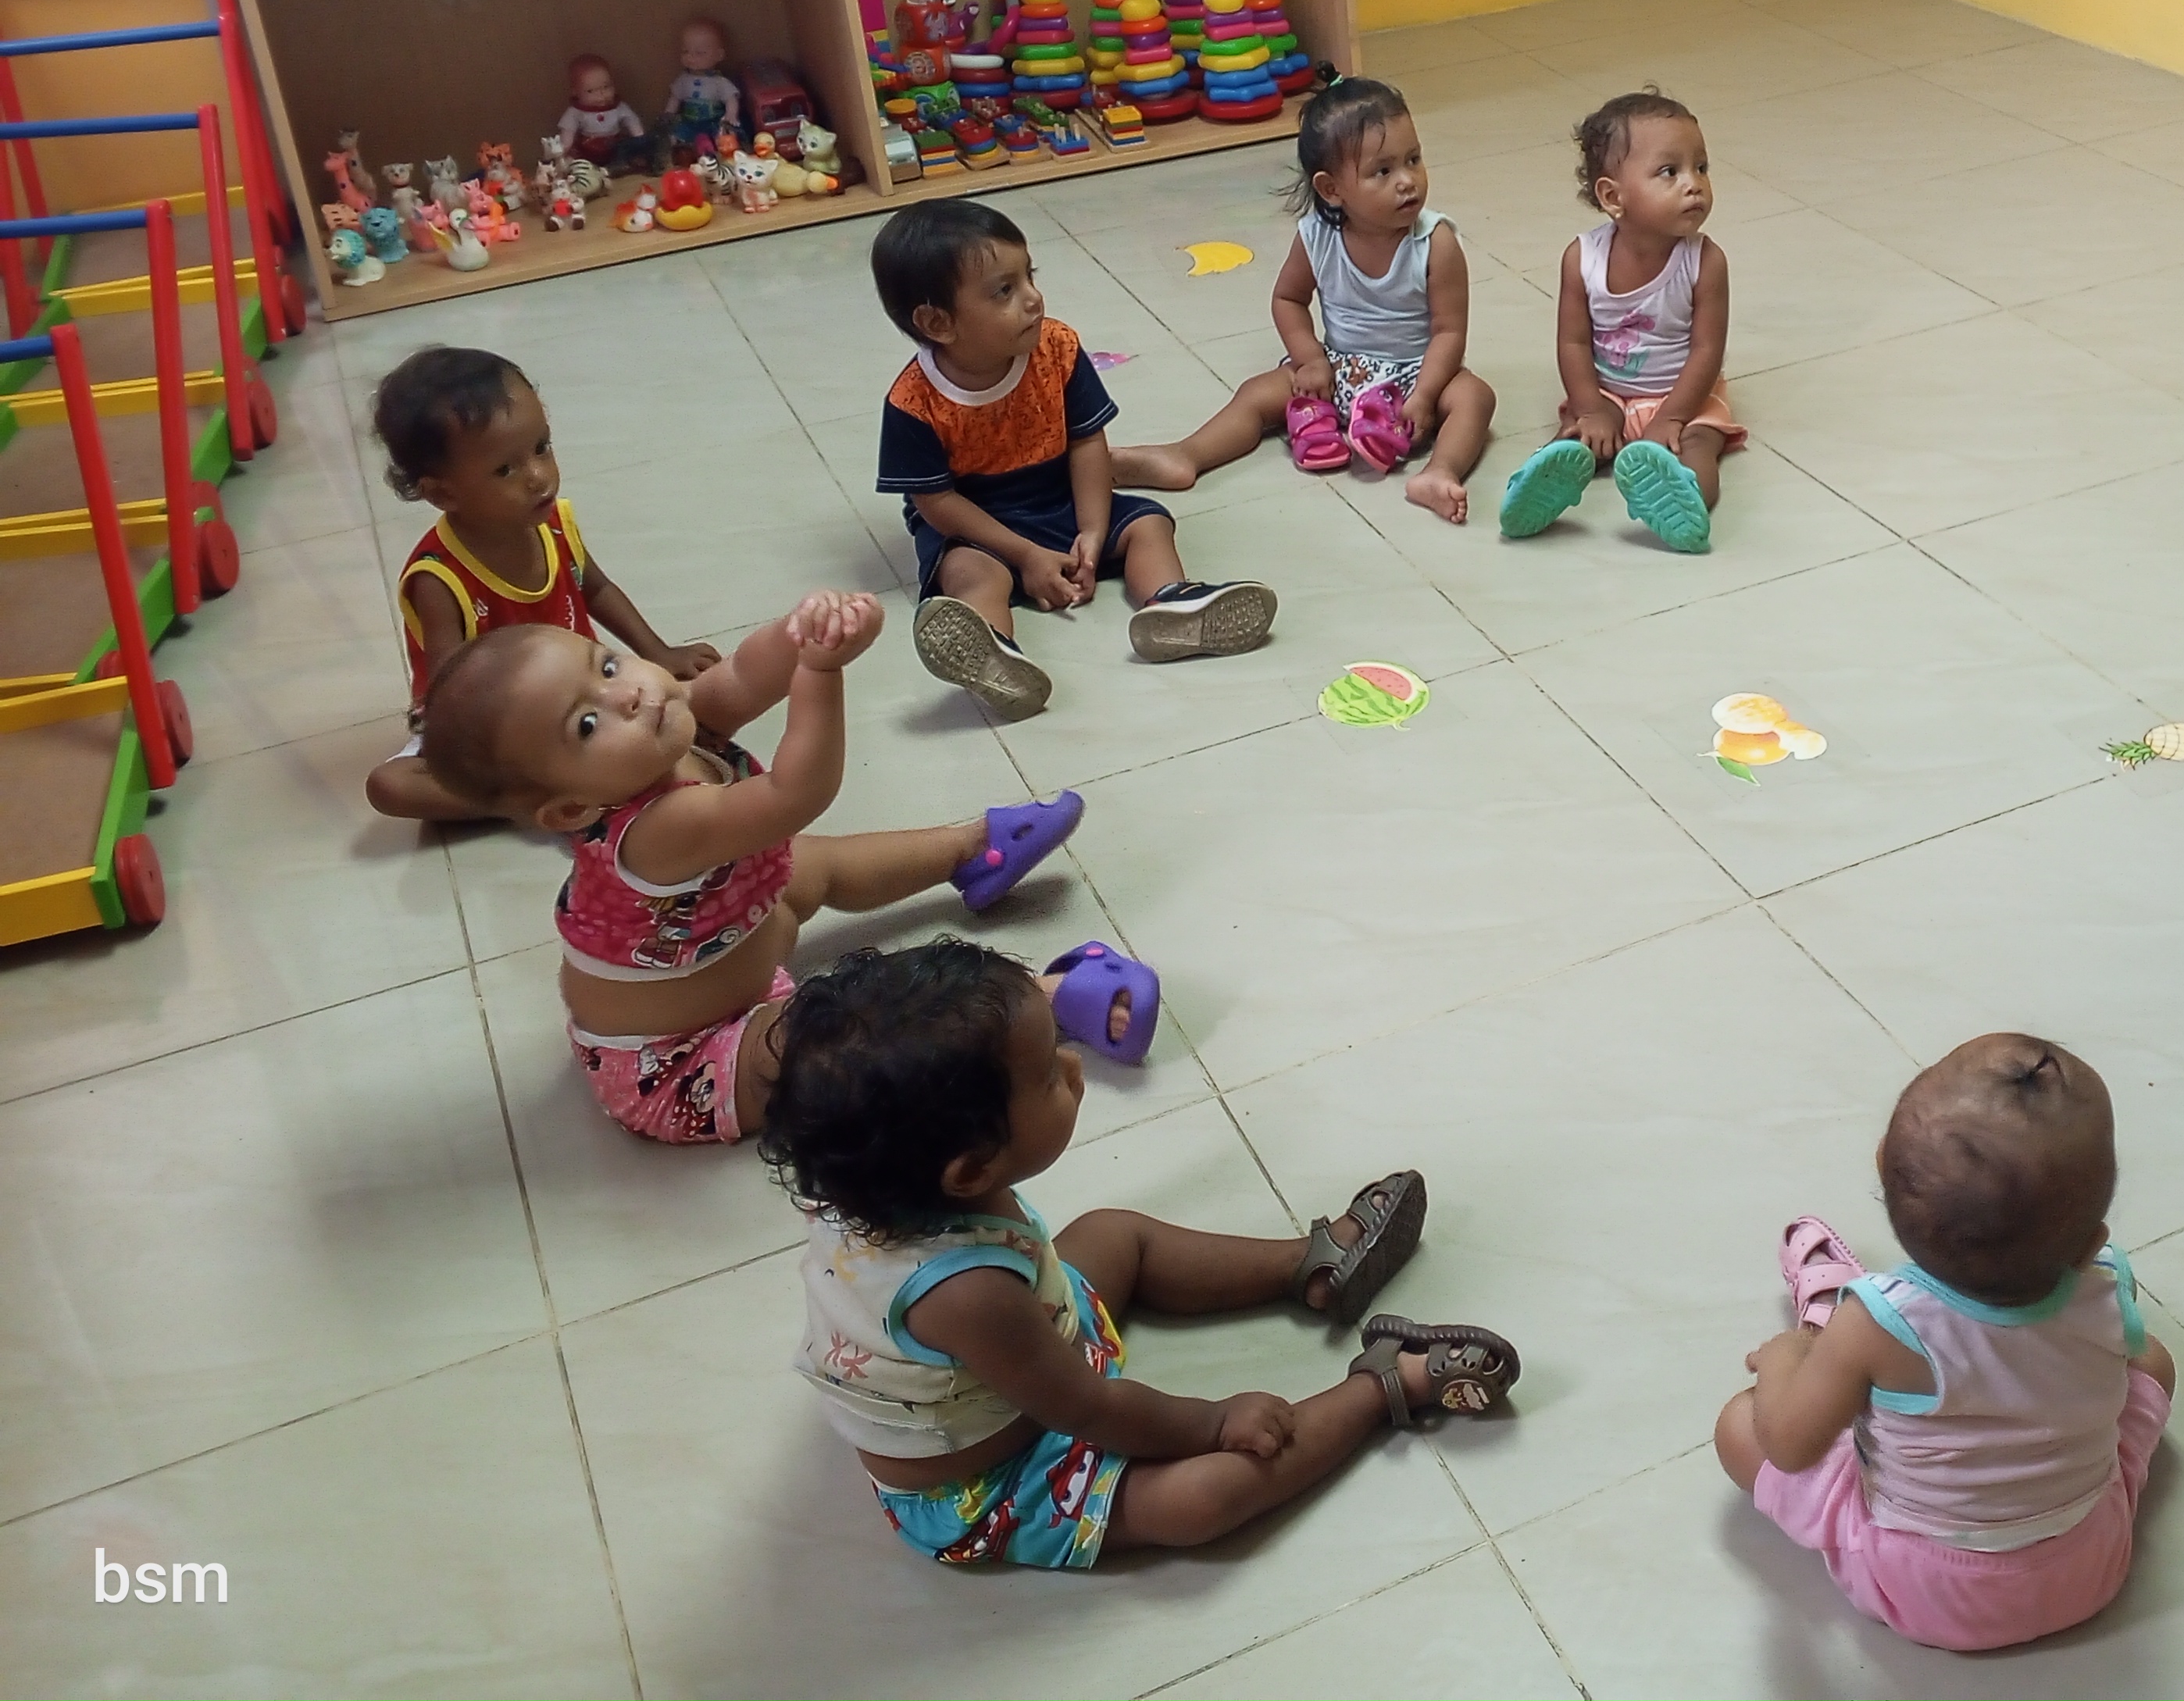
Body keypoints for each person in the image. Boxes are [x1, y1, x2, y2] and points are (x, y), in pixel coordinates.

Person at [760, 938, 1522, 1570]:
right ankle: (1388, 1383)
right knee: (1199, 1502)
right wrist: (1214, 1422)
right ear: (969, 1171)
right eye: (1046, 1074)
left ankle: (1314, 1267)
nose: (1072, 1069)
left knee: (1114, 1232)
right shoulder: (967, 1296)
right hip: (996, 1475)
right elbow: (1089, 1409)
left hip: (1025, 1348)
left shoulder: (882, 1178)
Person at [415, 596, 1090, 1146]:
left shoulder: (657, 727)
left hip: (729, 946)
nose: (628, 696)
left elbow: (739, 677)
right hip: (689, 1058)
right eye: (587, 724)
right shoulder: (656, 831)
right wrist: (821, 674)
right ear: (570, 808)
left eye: (609, 665)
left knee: (808, 863)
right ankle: (1039, 1002)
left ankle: (970, 851)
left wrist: (805, 630)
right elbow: (795, 794)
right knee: (843, 1037)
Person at [1714, 1035, 2175, 1654]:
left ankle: (1811, 1343)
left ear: (1882, 1164)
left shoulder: (1876, 1322)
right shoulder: (2108, 1284)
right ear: (2094, 1242)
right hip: (2087, 1568)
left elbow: (1790, 1446)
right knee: (2152, 1361)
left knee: (1739, 1427)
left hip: (1922, 1589)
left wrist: (1784, 1361)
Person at [870, 199, 1278, 721]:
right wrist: (1026, 555)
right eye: (1004, 291)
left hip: (1060, 493)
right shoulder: (913, 402)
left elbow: (1088, 443)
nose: (1033, 299)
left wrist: (1092, 528)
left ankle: (1172, 602)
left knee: (1148, 524)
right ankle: (993, 652)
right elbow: (937, 503)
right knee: (971, 574)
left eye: (1030, 276)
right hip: (977, 524)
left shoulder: (1057, 348)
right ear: (938, 322)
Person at [1112, 77, 1500, 524]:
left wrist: (1427, 396)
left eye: (1413, 159)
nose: (1407, 181)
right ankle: (1187, 455)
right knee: (1256, 394)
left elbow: (1448, 332)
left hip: (1417, 374)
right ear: (1331, 189)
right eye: (1383, 171)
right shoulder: (1317, 236)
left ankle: (1439, 472)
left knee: (1475, 397)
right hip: (1336, 368)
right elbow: (1288, 299)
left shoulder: (1435, 242)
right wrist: (1311, 359)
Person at [362, 348, 716, 824]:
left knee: (690, 693)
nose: (538, 477)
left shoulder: (555, 524)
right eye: (505, 470)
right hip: (494, 734)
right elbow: (453, 698)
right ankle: (528, 798)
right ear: (443, 493)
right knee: (389, 786)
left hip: (583, 704)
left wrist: (658, 652)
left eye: (542, 447)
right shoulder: (438, 579)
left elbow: (597, 589)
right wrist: (512, 761)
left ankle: (581, 783)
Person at [1497, 91, 1743, 553]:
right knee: (1575, 438)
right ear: (1613, 196)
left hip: (1683, 397)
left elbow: (1707, 351)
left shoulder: (1705, 262)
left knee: (1698, 444)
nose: (1694, 184)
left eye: (1701, 168)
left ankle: (1684, 500)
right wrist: (1590, 408)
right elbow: (1573, 343)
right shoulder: (1582, 260)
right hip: (1609, 394)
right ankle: (1537, 487)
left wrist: (1673, 416)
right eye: (1670, 172)